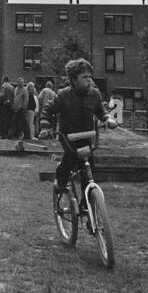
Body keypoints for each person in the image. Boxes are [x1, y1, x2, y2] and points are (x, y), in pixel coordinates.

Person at [51, 58, 108, 194]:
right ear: (74, 80)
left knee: (89, 169)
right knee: (71, 157)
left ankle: (87, 202)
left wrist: (107, 119)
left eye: (90, 76)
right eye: (84, 77)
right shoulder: (63, 95)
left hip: (86, 136)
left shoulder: (94, 94)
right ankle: (61, 180)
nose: (89, 80)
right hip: (68, 137)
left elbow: (101, 111)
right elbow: (48, 109)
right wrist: (45, 126)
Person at [0, 75, 14, 140]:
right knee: (9, 120)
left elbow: (2, 95)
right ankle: (9, 134)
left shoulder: (3, 86)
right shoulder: (12, 87)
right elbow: (13, 96)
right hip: (10, 105)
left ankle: (3, 135)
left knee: (3, 120)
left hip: (4, 105)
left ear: (3, 79)